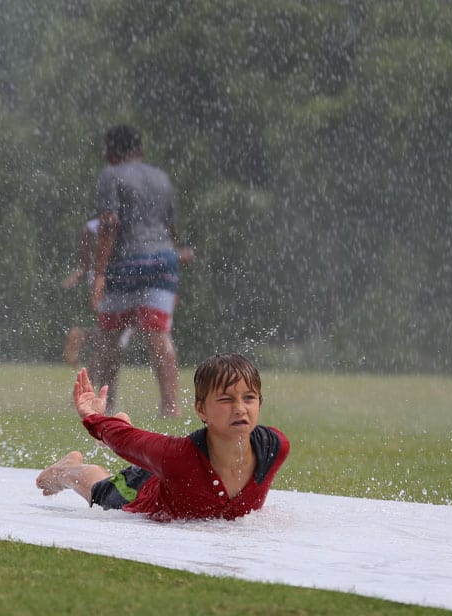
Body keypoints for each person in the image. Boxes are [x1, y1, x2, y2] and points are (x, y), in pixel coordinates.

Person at [36, 353, 290, 521]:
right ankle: (67, 469)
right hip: (143, 491)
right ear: (200, 409)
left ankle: (125, 434)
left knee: (140, 448)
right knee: (100, 491)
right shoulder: (178, 457)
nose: (240, 408)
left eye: (249, 398)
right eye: (226, 399)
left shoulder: (274, 448)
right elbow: (126, 441)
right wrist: (93, 417)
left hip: (164, 468)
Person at [91, 125, 184, 417]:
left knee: (110, 336)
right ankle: (170, 406)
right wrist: (173, 277)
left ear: (111, 152)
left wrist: (100, 272)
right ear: (139, 150)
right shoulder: (162, 178)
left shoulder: (111, 175)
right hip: (163, 262)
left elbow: (108, 224)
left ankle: (105, 406)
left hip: (126, 263)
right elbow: (171, 229)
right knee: (158, 334)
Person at [61, 217, 195, 369]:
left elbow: (88, 231)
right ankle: (85, 348)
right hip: (117, 278)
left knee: (114, 337)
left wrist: (85, 268)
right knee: (114, 341)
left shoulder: (115, 214)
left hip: (110, 276)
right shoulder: (137, 219)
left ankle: (102, 385)